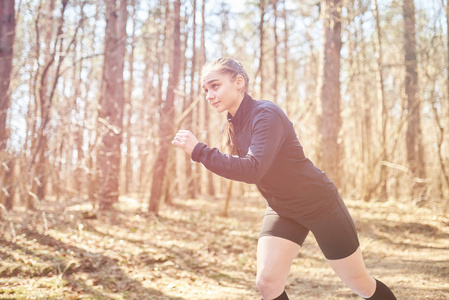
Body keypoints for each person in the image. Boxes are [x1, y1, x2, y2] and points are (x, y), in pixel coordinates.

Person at [171, 57, 397, 300]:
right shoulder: (233, 123)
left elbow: (252, 169)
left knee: (361, 284)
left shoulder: (266, 114)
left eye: (215, 86)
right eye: (206, 90)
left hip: (320, 205)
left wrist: (199, 151)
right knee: (267, 283)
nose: (209, 95)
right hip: (282, 208)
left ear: (239, 82)